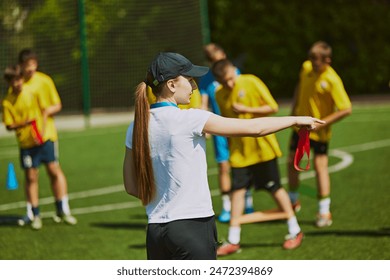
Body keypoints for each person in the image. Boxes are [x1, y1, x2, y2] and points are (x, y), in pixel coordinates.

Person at [122, 52, 324, 260]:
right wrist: (296, 120)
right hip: (193, 228)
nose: (194, 87)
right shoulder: (191, 118)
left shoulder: (135, 126)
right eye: (190, 80)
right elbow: (254, 128)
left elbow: (131, 186)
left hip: (155, 233)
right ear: (172, 85)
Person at [211, 58, 305, 256]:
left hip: (262, 150)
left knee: (274, 188)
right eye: (224, 81)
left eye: (230, 78)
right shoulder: (219, 94)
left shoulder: (251, 81)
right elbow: (227, 124)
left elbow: (273, 107)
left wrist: (247, 110)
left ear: (233, 71)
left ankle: (295, 230)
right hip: (239, 153)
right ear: (218, 82)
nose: (229, 84)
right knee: (237, 191)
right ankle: (233, 240)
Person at [287, 41, 352, 227]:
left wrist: (321, 124)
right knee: (292, 162)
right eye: (311, 59)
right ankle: (292, 202)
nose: (313, 63)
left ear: (327, 60)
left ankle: (324, 212)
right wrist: (293, 109)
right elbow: (300, 85)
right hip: (299, 127)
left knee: (319, 166)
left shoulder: (332, 79)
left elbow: (346, 109)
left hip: (318, 133)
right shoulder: (306, 68)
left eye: (317, 60)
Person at [18, 49, 77, 226]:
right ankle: (33, 213)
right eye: (27, 66)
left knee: (53, 170)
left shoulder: (45, 81)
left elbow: (57, 105)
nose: (30, 69)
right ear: (21, 66)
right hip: (27, 140)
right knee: (31, 176)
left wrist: (46, 112)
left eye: (33, 65)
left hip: (47, 136)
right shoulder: (18, 85)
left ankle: (63, 209)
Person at [199, 43, 254, 223]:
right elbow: (203, 103)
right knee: (224, 166)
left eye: (220, 59)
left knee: (245, 163)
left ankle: (247, 201)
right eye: (214, 61)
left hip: (238, 125)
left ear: (224, 54)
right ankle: (227, 207)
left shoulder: (235, 73)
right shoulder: (207, 79)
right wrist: (203, 124)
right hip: (219, 128)